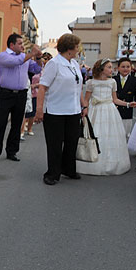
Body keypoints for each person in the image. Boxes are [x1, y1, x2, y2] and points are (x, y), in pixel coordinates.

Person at [34, 33, 86, 185]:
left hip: (73, 110)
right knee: (55, 144)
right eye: (77, 47)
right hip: (55, 111)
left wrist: (83, 104)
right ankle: (52, 173)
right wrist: (39, 109)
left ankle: (68, 169)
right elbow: (43, 87)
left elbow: (78, 86)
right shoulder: (54, 64)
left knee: (72, 142)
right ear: (69, 48)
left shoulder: (74, 64)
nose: (78, 49)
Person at [0, 34, 42, 162]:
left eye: (23, 43)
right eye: (20, 43)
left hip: (21, 94)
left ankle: (12, 151)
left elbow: (37, 68)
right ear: (11, 45)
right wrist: (31, 53)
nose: (22, 46)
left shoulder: (25, 57)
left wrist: (38, 57)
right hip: (6, 94)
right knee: (1, 123)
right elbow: (15, 62)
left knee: (17, 124)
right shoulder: (3, 56)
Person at [77, 59, 136, 176]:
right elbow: (86, 100)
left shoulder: (112, 82)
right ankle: (92, 159)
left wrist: (128, 104)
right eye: (109, 67)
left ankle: (110, 162)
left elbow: (115, 100)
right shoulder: (91, 83)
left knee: (110, 135)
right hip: (95, 110)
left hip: (110, 111)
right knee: (95, 133)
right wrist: (85, 109)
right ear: (101, 69)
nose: (111, 70)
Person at [113, 57, 136, 137]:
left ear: (131, 68)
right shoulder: (113, 80)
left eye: (128, 67)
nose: (125, 69)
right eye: (123, 67)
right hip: (113, 111)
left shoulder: (135, 81)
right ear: (118, 68)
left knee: (125, 135)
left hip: (127, 113)